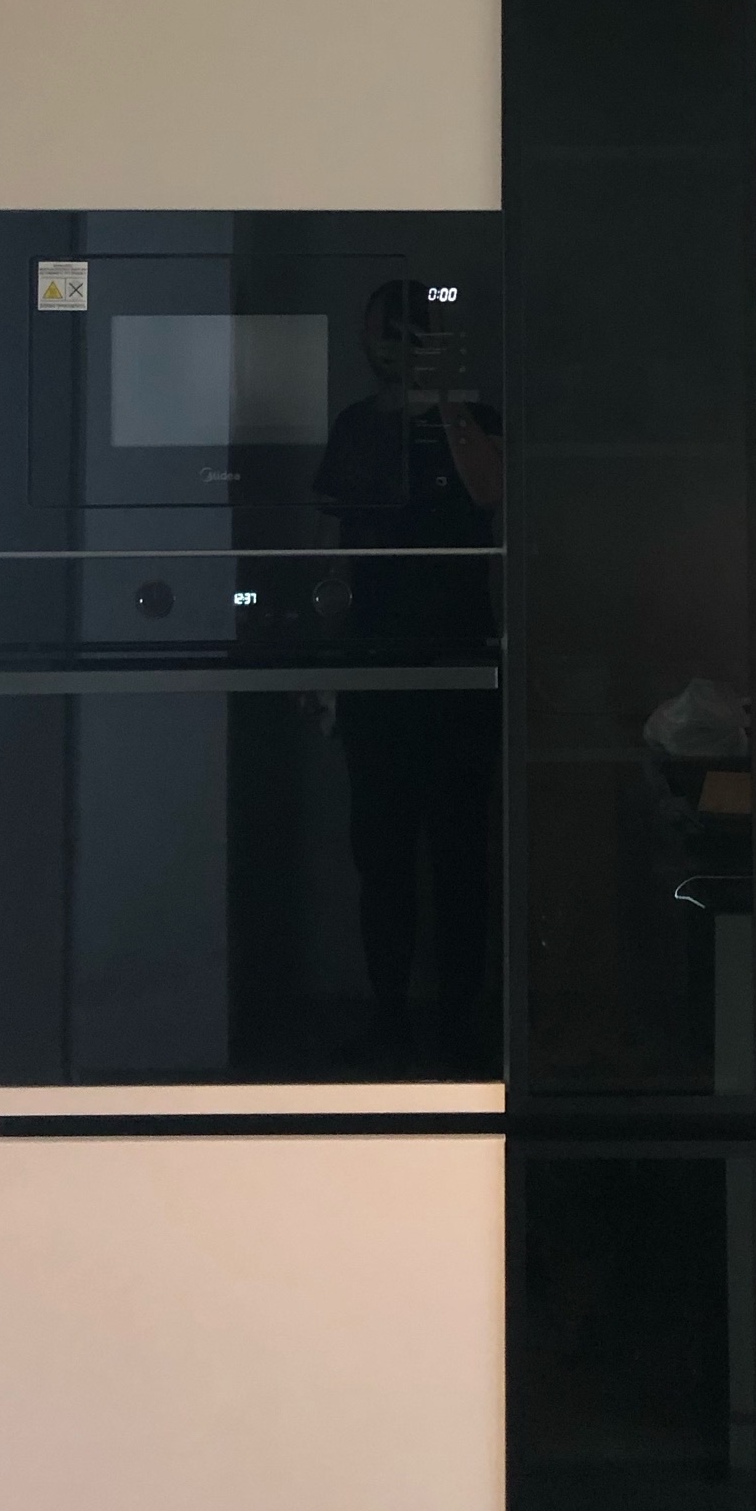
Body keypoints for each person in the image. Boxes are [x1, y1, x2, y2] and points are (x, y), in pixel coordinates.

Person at [315, 281, 501, 1066]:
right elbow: (332, 549)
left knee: (461, 853)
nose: (393, 348)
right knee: (380, 854)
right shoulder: (356, 426)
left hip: (459, 662)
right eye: (383, 335)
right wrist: (325, 666)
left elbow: (492, 492)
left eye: (411, 334)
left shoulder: (475, 417)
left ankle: (461, 1021)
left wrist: (444, 399)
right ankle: (388, 1016)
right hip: (373, 662)